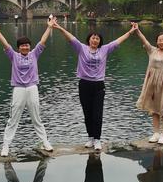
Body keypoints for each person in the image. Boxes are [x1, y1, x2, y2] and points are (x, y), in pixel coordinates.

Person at [52, 19, 137, 151]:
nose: (95, 40)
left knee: (97, 114)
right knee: (87, 113)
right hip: (84, 84)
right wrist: (59, 27)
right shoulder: (81, 48)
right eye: (93, 38)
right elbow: (70, 37)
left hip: (98, 86)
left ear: (100, 41)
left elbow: (118, 40)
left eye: (97, 38)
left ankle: (97, 139)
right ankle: (90, 137)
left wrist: (131, 32)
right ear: (89, 39)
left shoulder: (105, 50)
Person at [0, 17, 54, 157]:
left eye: (27, 45)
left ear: (30, 46)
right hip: (19, 89)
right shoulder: (14, 56)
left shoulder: (34, 54)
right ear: (18, 47)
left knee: (36, 116)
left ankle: (45, 141)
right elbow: (6, 45)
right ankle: (6, 145)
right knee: (13, 118)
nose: (25, 47)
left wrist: (50, 27)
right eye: (22, 45)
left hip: (32, 87)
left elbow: (43, 41)